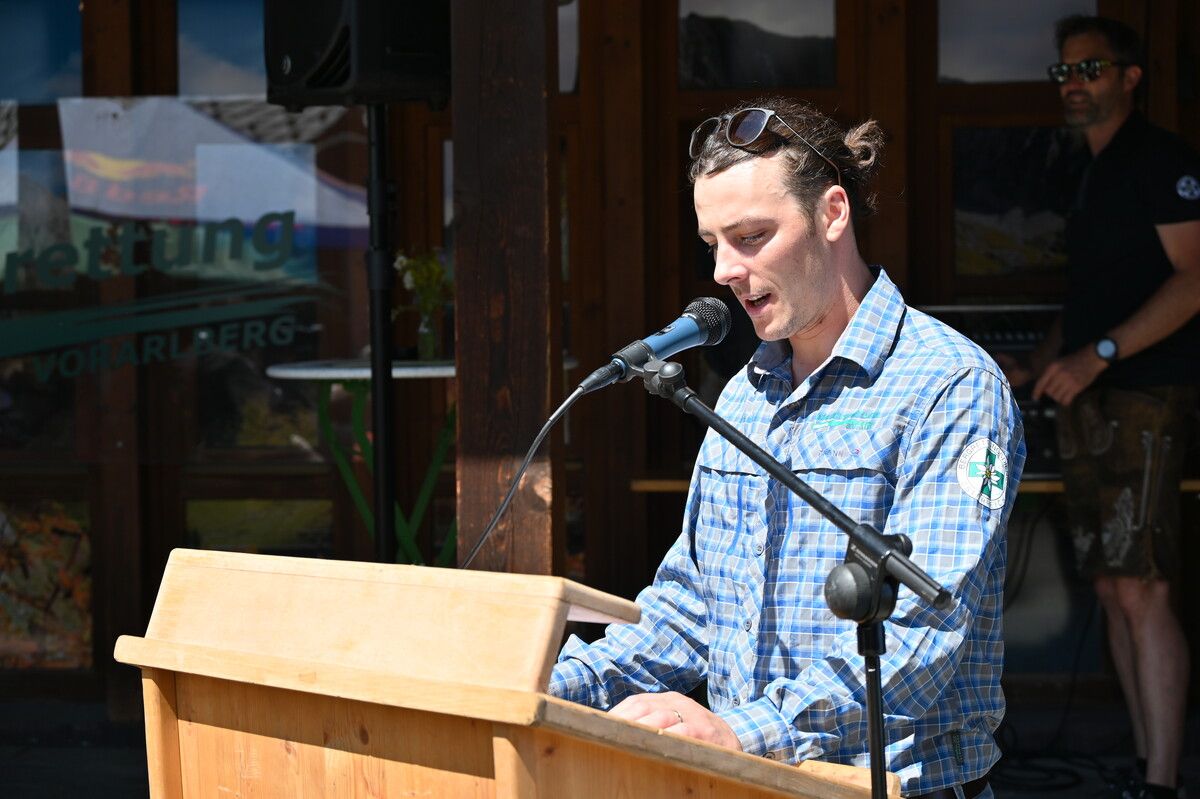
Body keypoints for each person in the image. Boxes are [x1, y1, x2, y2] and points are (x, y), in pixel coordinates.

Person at [549, 97, 1025, 799]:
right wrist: (549, 681)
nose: (723, 269)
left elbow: (924, 634)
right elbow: (690, 610)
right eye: (712, 243)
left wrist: (745, 732)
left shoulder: (950, 384)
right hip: (749, 781)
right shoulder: (745, 395)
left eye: (750, 236)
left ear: (832, 213)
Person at [1001, 16, 1200, 799]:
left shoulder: (1161, 161)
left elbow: (1195, 278)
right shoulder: (1092, 171)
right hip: (1092, 400)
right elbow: (1089, 300)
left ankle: (1163, 780)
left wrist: (1101, 355)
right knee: (1116, 588)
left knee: (1144, 587)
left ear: (1130, 77)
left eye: (1090, 69)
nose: (1074, 83)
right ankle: (1145, 769)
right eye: (1065, 72)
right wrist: (1042, 362)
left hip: (1145, 399)